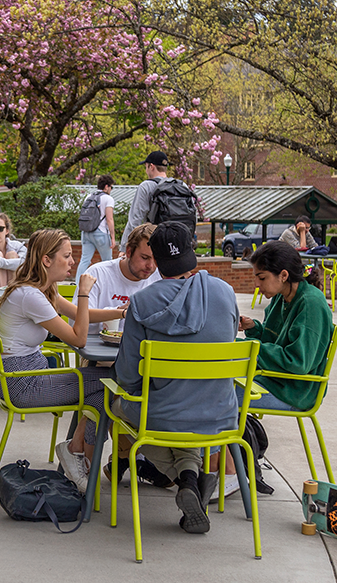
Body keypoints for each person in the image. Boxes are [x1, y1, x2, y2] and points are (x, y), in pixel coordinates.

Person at [113, 221, 240, 534]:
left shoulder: (142, 302)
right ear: (192, 250)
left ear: (156, 259)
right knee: (183, 419)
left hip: (162, 417)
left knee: (117, 407)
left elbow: (128, 376)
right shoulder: (225, 292)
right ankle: (190, 480)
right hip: (220, 415)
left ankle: (189, 480)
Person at [0, 228, 117, 493]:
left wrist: (118, 311)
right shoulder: (31, 296)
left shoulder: (41, 290)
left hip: (28, 374)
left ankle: (76, 452)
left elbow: (78, 313)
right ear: (46, 260)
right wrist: (83, 292)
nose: (73, 261)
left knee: (103, 395)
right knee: (113, 380)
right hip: (24, 384)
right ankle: (79, 456)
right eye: (67, 255)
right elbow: (79, 338)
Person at [238, 241, 335, 412]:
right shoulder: (281, 296)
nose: (257, 285)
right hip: (274, 380)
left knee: (217, 395)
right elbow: (272, 342)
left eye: (262, 278)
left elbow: (298, 362)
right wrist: (253, 327)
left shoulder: (310, 303)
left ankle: (233, 438)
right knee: (214, 384)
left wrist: (249, 348)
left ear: (283, 275)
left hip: (295, 392)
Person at [74, 223, 161, 335]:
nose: (150, 266)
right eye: (144, 258)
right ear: (129, 252)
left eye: (155, 259)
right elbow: (76, 318)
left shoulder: (160, 278)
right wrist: (119, 311)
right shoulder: (98, 273)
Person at [120, 150, 171, 244]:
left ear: (151, 166)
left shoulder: (146, 186)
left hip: (156, 242)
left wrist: (125, 247)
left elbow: (135, 220)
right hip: (178, 244)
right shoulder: (181, 186)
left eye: (146, 167)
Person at [76, 174, 117, 281]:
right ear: (106, 186)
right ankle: (107, 284)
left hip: (86, 232)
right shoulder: (108, 198)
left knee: (85, 259)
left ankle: (77, 285)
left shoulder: (89, 196)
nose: (111, 190)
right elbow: (109, 219)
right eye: (111, 187)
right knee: (107, 262)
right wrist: (113, 237)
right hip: (101, 232)